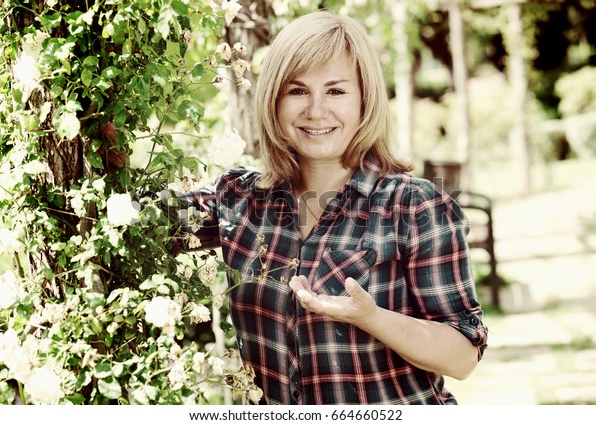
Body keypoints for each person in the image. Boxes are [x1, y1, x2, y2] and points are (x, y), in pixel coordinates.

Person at [182, 10, 488, 405]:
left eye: (336, 91)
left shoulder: (416, 206)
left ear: (364, 99)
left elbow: (463, 356)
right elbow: (143, 221)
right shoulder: (239, 200)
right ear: (273, 100)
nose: (316, 110)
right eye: (297, 91)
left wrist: (372, 318)